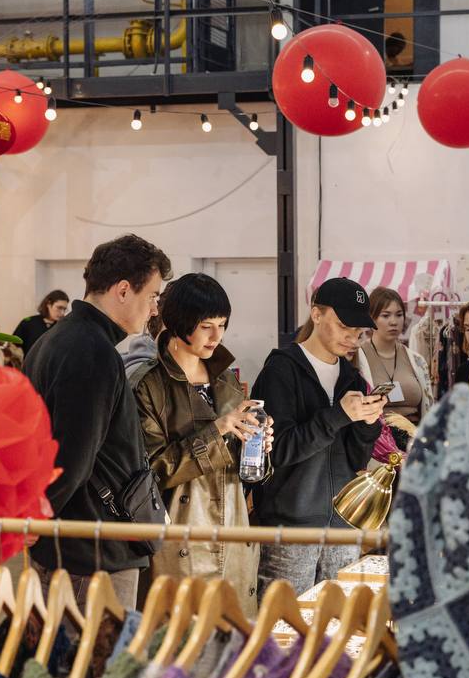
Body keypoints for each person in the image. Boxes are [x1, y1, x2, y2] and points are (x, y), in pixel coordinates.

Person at [24, 234, 172, 608]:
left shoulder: (55, 339)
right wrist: (35, 518)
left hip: (74, 541)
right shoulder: (91, 350)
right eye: (152, 296)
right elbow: (73, 458)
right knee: (96, 648)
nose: (154, 309)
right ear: (123, 290)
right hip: (91, 551)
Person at [131, 273, 273, 615]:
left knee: (235, 637)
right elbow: (151, 470)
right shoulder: (147, 384)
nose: (216, 336)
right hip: (180, 538)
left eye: (222, 325)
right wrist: (218, 429)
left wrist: (258, 448)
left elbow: (242, 471)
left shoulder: (226, 379)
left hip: (234, 530)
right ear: (178, 323)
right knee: (181, 638)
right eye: (206, 326)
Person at [251, 277, 385, 596]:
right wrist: (339, 415)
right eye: (343, 326)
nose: (352, 338)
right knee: (283, 623)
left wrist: (367, 424)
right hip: (291, 529)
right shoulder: (281, 371)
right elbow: (279, 450)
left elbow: (355, 460)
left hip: (343, 527)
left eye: (358, 331)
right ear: (316, 314)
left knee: (339, 623)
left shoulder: (353, 379)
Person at [359, 286, 433, 427]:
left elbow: (428, 407)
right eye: (385, 315)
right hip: (375, 436)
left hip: (413, 435)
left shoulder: (417, 360)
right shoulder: (357, 358)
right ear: (371, 318)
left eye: (399, 315)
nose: (393, 322)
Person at [4, 289, 70, 365]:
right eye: (59, 308)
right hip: (29, 368)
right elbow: (13, 347)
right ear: (49, 304)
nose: (62, 312)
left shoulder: (63, 327)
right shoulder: (28, 322)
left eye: (64, 309)